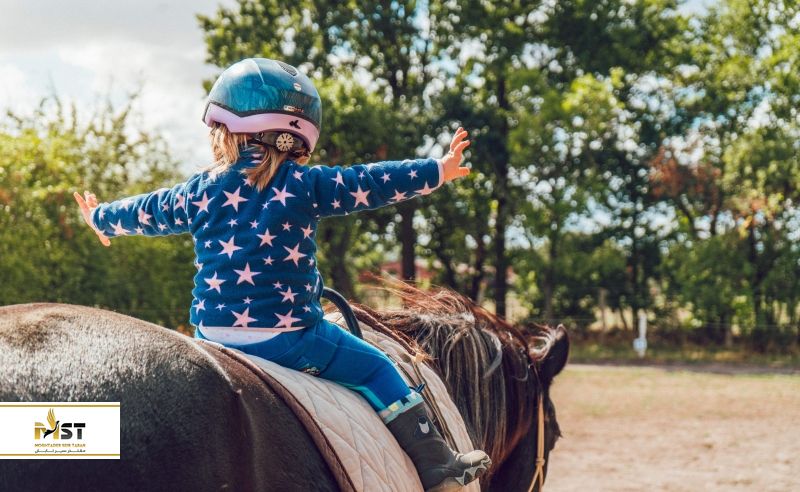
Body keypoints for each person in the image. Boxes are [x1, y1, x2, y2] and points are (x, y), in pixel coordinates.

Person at [74, 57, 490, 490]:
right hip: (289, 336)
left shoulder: (198, 190)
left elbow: (149, 209)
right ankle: (438, 464)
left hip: (213, 334)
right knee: (376, 369)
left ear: (222, 130)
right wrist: (437, 171)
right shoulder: (304, 184)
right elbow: (370, 181)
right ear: (298, 137)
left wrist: (101, 218)